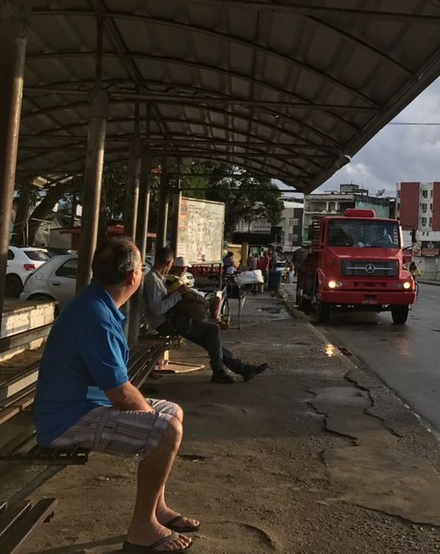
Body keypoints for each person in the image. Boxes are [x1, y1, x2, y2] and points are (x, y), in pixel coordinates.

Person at [35, 237, 197, 553]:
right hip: (66, 419)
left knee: (173, 413)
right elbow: (121, 394)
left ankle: (157, 508)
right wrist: (154, 423)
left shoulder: (97, 304)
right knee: (168, 429)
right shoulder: (96, 315)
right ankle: (142, 529)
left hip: (83, 405)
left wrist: (155, 419)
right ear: (133, 278)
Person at [144, 247, 267, 384]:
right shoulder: (152, 280)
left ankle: (241, 369)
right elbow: (157, 309)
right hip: (165, 323)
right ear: (168, 263)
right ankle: (219, 370)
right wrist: (178, 294)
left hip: (173, 319)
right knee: (212, 330)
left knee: (210, 338)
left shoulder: (158, 278)